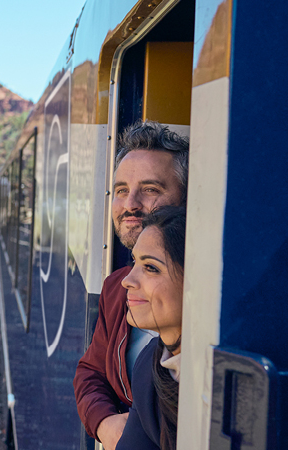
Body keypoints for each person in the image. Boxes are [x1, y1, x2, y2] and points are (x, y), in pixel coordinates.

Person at [73, 121, 189, 450]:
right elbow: (90, 371)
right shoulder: (116, 287)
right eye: (121, 190)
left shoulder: (210, 300)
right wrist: (105, 424)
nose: (130, 204)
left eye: (150, 189)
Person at [116, 206, 186, 450]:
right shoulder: (150, 364)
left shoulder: (224, 382)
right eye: (135, 262)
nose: (127, 280)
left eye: (151, 268)